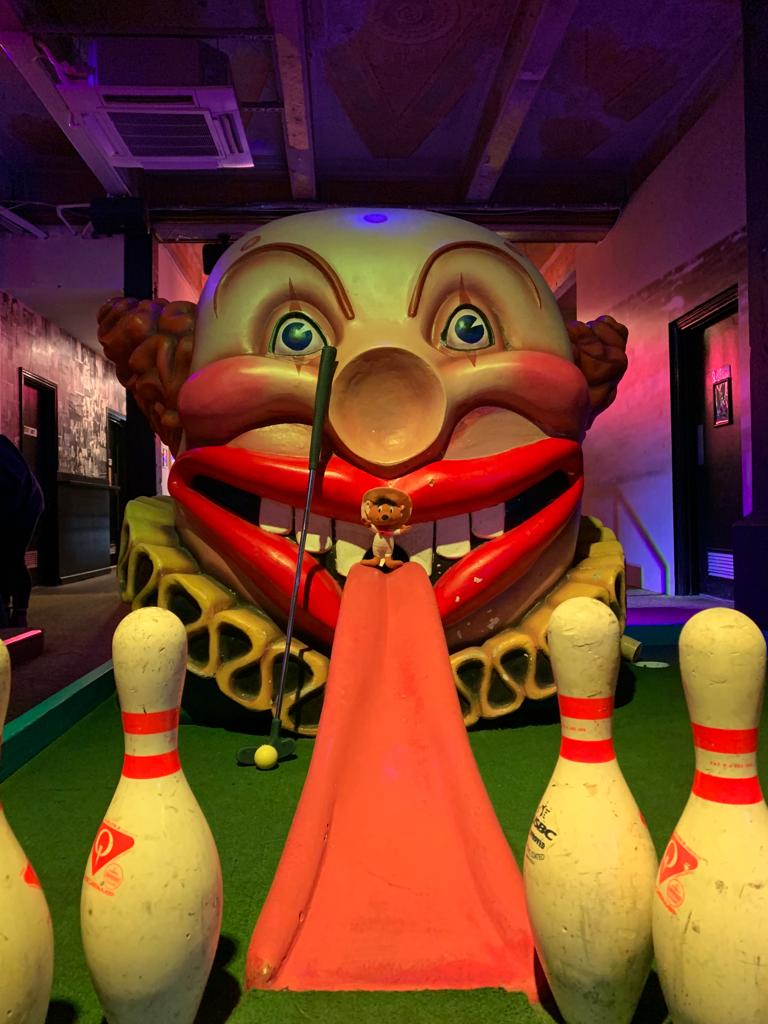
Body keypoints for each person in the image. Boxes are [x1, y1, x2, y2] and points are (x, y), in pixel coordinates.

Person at [0, 434, 44, 628]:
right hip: (12, 500)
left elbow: (18, 483)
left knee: (13, 557)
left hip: (26, 502)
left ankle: (19, 614)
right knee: (7, 559)